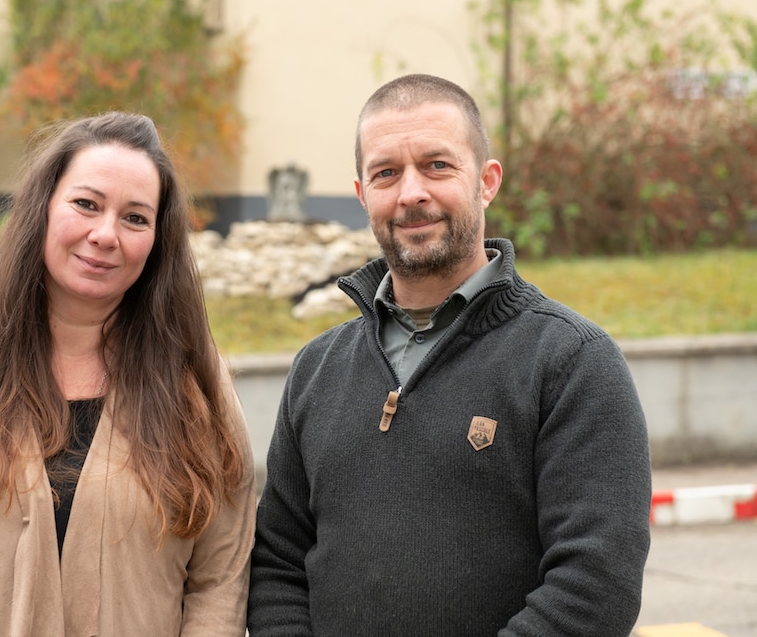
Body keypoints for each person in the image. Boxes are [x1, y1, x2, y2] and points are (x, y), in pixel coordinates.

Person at [248, 74, 652, 636]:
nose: (412, 192)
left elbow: (594, 585)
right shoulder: (316, 370)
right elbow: (278, 564)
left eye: (437, 165)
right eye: (386, 173)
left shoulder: (571, 361)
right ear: (363, 195)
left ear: (487, 182)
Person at [0, 112, 256, 636]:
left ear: (158, 241)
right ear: (42, 209)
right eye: (86, 204)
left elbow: (221, 583)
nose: (105, 234)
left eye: (135, 218)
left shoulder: (194, 385)